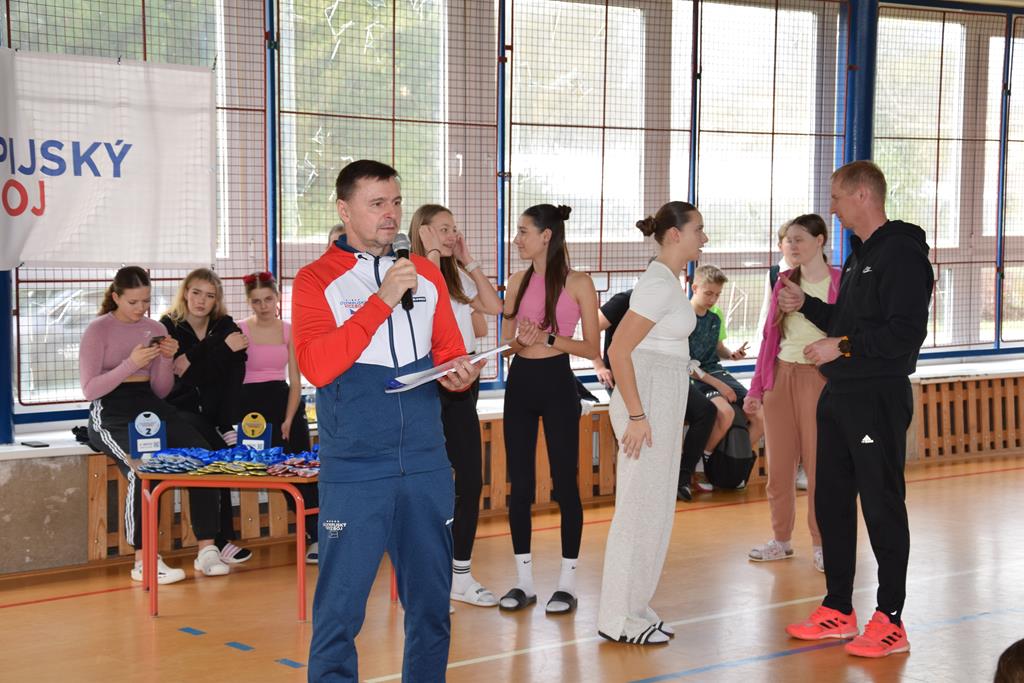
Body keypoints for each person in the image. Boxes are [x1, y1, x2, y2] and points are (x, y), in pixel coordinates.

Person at [293, 159, 481, 682]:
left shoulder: (426, 274)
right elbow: (317, 366)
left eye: (395, 202)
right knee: (339, 615)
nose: (390, 213)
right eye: (376, 203)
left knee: (432, 609)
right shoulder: (315, 280)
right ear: (344, 209)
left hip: (425, 463)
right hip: (355, 470)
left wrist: (459, 374)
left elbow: (449, 352)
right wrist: (382, 300)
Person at [782, 160, 933, 658]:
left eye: (837, 197)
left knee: (881, 505)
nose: (833, 208)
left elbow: (904, 335)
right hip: (840, 396)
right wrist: (806, 304)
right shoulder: (860, 255)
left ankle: (890, 619)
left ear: (863, 195)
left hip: (876, 398)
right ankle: (838, 608)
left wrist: (841, 346)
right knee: (831, 501)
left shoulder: (902, 254)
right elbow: (848, 323)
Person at [596, 201, 707, 645]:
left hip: (662, 392)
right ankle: (618, 619)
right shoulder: (657, 283)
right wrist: (637, 415)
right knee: (638, 510)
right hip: (647, 399)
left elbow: (662, 348)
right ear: (675, 234)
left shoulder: (668, 281)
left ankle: (637, 608)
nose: (704, 237)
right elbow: (618, 350)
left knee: (654, 510)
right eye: (699, 229)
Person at [79, 266, 224, 584]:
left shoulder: (155, 328)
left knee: (202, 455)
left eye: (145, 301)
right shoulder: (97, 330)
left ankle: (207, 549)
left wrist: (165, 360)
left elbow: (161, 390)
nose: (140, 309)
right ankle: (144, 560)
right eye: (133, 302)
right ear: (116, 297)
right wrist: (131, 363)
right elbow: (90, 390)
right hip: (111, 411)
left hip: (150, 406)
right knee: (141, 467)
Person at [499, 204, 599, 614]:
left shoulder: (579, 283)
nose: (517, 239)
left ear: (546, 236)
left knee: (565, 484)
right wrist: (521, 342)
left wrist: (549, 338)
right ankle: (523, 583)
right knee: (520, 486)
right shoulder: (516, 281)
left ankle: (567, 585)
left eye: (523, 231)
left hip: (558, 383)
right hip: (520, 384)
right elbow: (506, 345)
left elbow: (591, 348)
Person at [410, 203, 504, 608]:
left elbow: (496, 307)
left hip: (463, 386)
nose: (453, 236)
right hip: (429, 388)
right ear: (424, 231)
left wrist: (470, 262)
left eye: (454, 229)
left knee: (468, 481)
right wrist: (431, 254)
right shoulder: (412, 274)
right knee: (428, 486)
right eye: (444, 229)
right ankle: (426, 579)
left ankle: (459, 575)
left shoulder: (456, 278)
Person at [743, 215, 841, 572]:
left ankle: (822, 543)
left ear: (820, 240)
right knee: (780, 469)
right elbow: (770, 339)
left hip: (820, 380)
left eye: (800, 238)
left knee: (819, 468)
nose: (792, 245)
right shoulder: (782, 281)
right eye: (787, 240)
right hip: (780, 379)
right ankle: (781, 540)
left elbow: (847, 332)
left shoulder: (840, 281)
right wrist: (757, 388)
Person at [592, 280, 718, 502]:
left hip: (662, 376)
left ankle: (681, 479)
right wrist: (599, 366)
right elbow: (590, 329)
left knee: (706, 410)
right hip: (625, 378)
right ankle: (642, 488)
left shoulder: (670, 307)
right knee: (649, 422)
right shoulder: (625, 301)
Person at [161, 268, 252, 570]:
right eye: (196, 293)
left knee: (221, 458)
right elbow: (182, 377)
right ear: (185, 293)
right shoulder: (168, 326)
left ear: (217, 300)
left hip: (215, 412)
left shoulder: (225, 324)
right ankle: (215, 542)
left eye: (209, 295)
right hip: (180, 412)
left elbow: (234, 366)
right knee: (214, 455)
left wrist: (195, 357)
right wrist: (218, 348)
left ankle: (220, 540)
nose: (201, 301)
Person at [238, 270, 319, 563]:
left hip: (284, 404)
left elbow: (295, 382)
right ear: (249, 302)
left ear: (277, 298)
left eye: (268, 299)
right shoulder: (238, 330)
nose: (263, 306)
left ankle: (317, 536)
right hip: (251, 410)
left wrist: (287, 419)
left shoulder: (289, 331)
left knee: (300, 471)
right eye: (256, 301)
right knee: (273, 471)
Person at [688, 265, 764, 457]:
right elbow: (686, 366)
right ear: (695, 288)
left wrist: (731, 355)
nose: (713, 300)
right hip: (694, 377)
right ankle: (705, 459)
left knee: (760, 415)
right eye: (708, 294)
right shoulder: (683, 318)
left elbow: (717, 347)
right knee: (726, 413)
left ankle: (732, 460)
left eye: (717, 295)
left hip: (716, 371)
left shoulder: (715, 317)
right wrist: (720, 386)